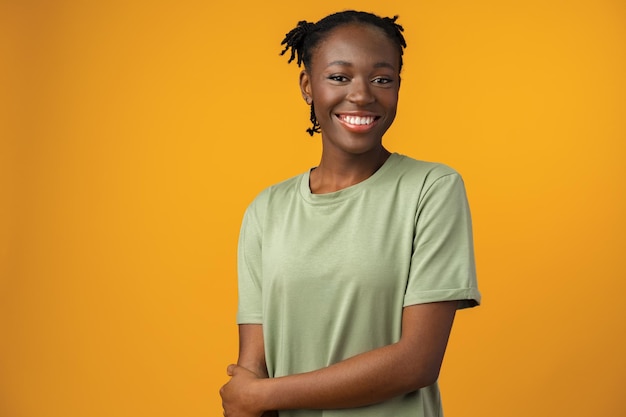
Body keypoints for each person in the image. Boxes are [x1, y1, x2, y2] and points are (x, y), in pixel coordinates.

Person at [220, 10, 481, 417]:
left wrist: (265, 396)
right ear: (308, 86)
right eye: (339, 77)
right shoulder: (266, 210)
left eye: (382, 79)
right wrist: (252, 395)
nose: (361, 95)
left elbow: (417, 363)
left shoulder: (431, 189)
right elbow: (252, 370)